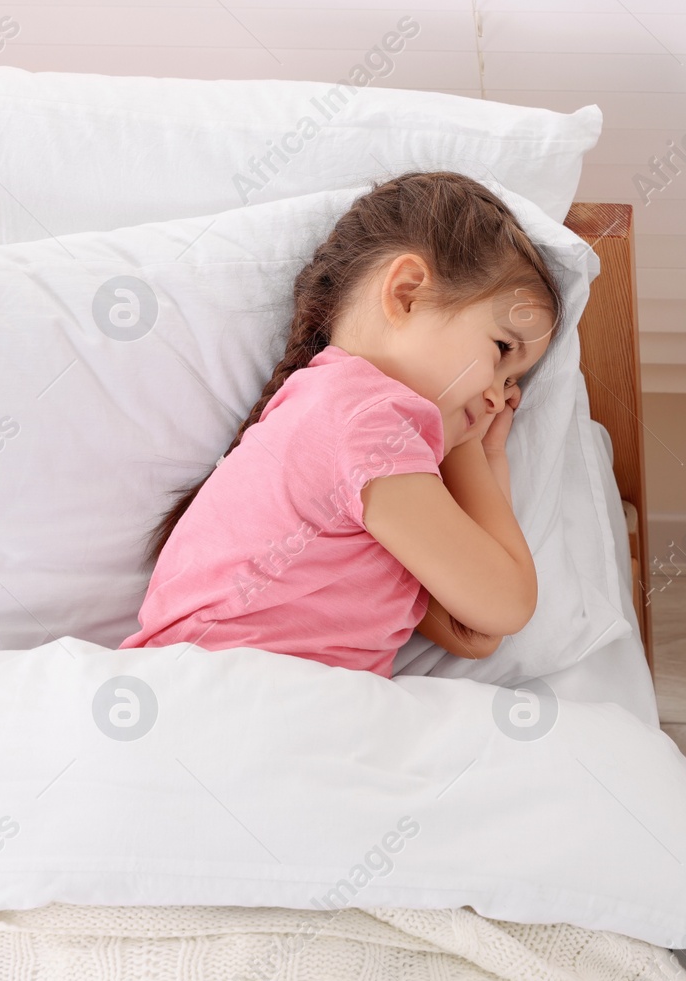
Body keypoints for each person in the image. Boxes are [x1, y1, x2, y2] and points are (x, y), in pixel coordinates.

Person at [119, 171, 561, 678]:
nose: (498, 398)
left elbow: (476, 631)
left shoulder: (338, 418)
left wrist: (483, 452)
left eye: (511, 384)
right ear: (408, 292)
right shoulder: (367, 421)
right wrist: (468, 452)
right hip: (228, 692)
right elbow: (504, 603)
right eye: (502, 349)